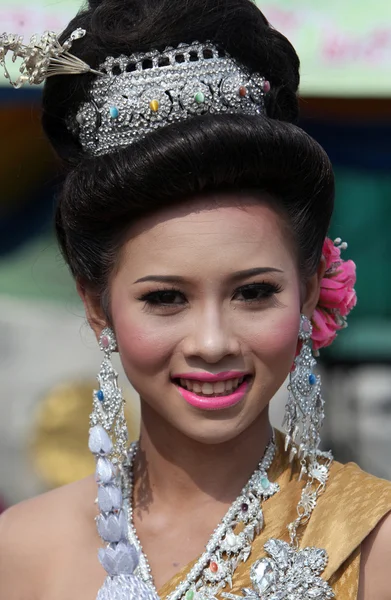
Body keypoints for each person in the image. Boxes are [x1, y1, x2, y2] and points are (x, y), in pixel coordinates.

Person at [0, 1, 390, 599]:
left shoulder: (373, 543)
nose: (212, 342)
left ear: (310, 292)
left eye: (254, 293)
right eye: (165, 299)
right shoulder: (23, 552)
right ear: (97, 304)